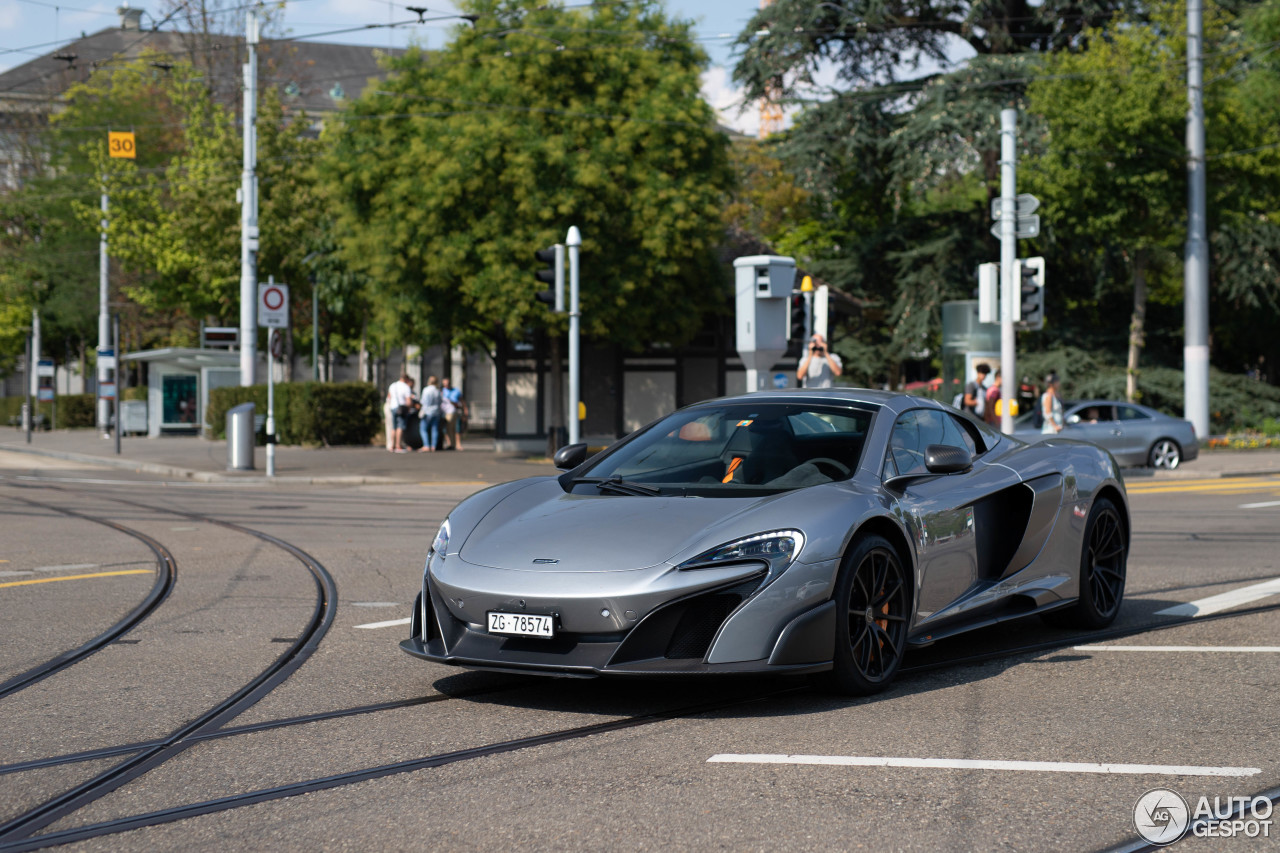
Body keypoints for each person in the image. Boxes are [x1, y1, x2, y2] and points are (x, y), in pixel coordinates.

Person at [387, 372, 414, 453]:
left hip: (392, 407)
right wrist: (409, 409)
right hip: (401, 408)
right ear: (407, 379)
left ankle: (392, 445)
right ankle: (398, 445)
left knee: (394, 427)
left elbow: (389, 397)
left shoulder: (392, 385)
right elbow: (408, 401)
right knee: (400, 427)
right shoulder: (406, 387)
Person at [441, 376, 467, 450]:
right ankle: (450, 444)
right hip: (445, 412)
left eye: (447, 383)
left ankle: (458, 444)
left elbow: (462, 401)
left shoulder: (456, 391)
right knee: (446, 429)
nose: (446, 385)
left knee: (456, 428)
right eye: (444, 384)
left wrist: (465, 411)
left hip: (455, 411)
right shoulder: (442, 391)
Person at [417, 375, 442, 452]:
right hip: (436, 412)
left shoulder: (426, 390)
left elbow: (423, 402)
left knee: (423, 429)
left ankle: (426, 445)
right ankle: (433, 446)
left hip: (427, 412)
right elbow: (440, 402)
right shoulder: (438, 391)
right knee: (435, 429)